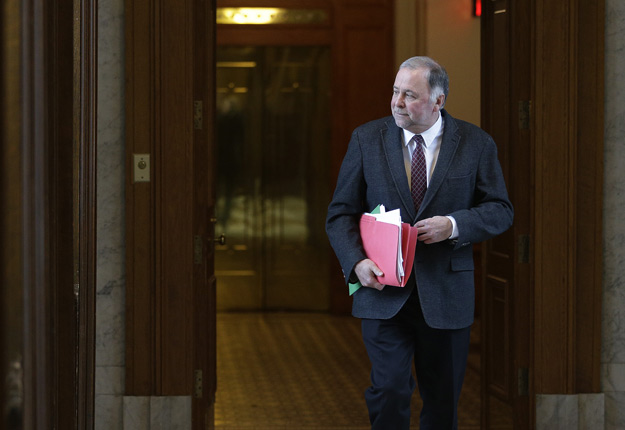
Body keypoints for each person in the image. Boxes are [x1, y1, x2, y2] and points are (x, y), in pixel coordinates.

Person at [325, 56, 513, 429]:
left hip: (446, 293)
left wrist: (454, 224)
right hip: (382, 292)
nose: (396, 102)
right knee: (390, 391)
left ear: (437, 101)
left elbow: (500, 210)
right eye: (395, 92)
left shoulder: (475, 143)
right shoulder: (367, 138)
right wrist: (357, 263)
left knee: (442, 403)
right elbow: (340, 214)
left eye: (409, 95)